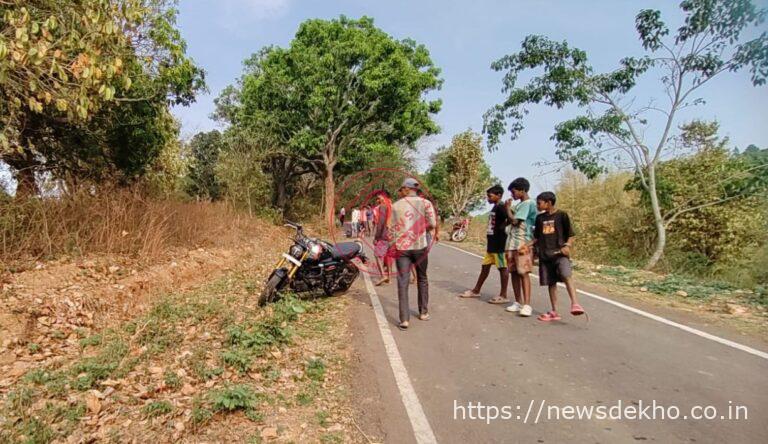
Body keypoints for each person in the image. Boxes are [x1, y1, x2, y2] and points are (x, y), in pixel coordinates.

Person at [532, 191, 586, 322]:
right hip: (545, 256)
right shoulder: (540, 218)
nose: (537, 206)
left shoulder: (562, 215)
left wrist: (567, 245)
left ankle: (575, 303)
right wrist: (530, 249)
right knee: (551, 283)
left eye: (539, 203)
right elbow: (537, 238)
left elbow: (571, 234)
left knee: (566, 274)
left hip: (560, 254)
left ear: (548, 202)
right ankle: (555, 311)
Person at [391, 178, 437, 330]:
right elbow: (433, 224)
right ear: (416, 189)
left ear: (405, 189)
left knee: (403, 281)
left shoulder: (396, 205)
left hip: (402, 247)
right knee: (422, 278)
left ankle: (404, 319)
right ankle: (423, 312)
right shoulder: (426, 204)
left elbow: (391, 228)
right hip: (419, 246)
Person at [460, 185, 510, 303]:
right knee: (485, 267)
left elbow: (511, 218)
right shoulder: (495, 208)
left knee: (503, 268)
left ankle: (503, 295)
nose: (488, 198)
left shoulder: (502, 207)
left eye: (490, 196)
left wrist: (503, 227)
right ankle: (476, 290)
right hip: (491, 244)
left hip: (499, 244)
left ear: (499, 195)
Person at [504, 178, 537, 317]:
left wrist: (507, 209)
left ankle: (527, 304)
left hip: (522, 243)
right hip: (512, 242)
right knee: (514, 272)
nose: (512, 195)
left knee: (523, 273)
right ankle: (518, 301)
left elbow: (515, 221)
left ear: (522, 190)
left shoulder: (528, 204)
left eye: (514, 192)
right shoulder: (520, 205)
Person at [373, 191, 394, 286]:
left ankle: (383, 276)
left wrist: (376, 237)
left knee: (377, 255)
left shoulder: (383, 206)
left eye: (379, 197)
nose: (378, 199)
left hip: (384, 235)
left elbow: (381, 223)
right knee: (389, 256)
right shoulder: (392, 205)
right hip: (393, 235)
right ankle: (389, 277)